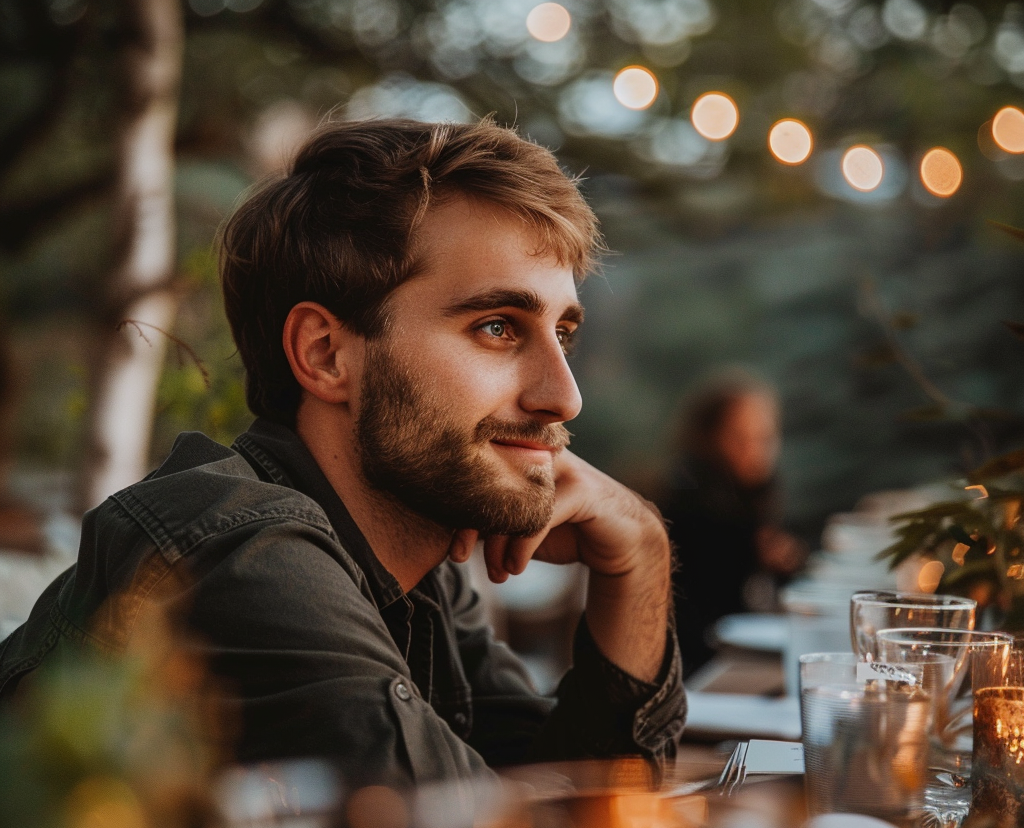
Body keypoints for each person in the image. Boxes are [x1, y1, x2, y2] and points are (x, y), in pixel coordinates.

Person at [0, 118, 686, 787]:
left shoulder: (418, 573)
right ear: (326, 355)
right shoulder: (245, 554)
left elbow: (574, 800)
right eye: (498, 326)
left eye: (561, 333)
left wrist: (642, 555)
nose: (564, 398)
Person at [663, 370, 805, 676]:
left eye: (765, 438)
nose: (755, 452)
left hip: (737, 654)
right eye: (740, 438)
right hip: (698, 665)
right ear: (708, 438)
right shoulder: (687, 503)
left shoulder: (754, 495)